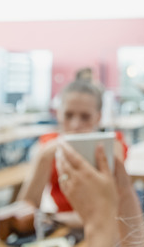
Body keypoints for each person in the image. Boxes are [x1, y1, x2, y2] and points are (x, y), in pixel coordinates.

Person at [17, 80, 132, 223]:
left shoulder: (113, 144)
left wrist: (53, 219)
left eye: (85, 117)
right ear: (58, 114)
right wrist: (43, 157)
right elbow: (24, 211)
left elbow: (114, 213)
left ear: (98, 117)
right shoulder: (48, 146)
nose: (76, 125)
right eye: (68, 115)